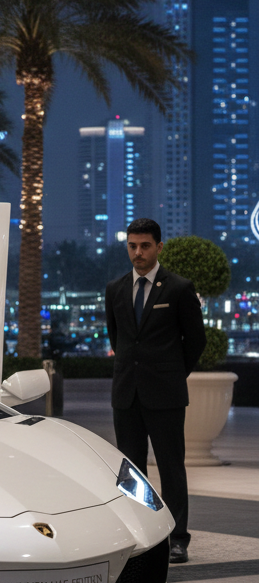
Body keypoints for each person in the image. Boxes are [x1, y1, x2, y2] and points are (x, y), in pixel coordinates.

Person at [105, 218, 207, 563]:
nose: (138, 252)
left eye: (145, 245)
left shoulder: (178, 288)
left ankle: (178, 538)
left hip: (165, 394)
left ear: (159, 247)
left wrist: (172, 373)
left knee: (171, 467)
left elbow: (195, 341)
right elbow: (117, 338)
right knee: (132, 470)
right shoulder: (115, 289)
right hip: (126, 394)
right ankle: (142, 535)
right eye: (132, 245)